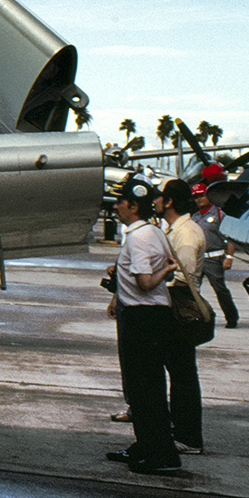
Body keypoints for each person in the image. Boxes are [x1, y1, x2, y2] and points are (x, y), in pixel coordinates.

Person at [104, 177, 182, 474]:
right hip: (147, 315)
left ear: (133, 206)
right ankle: (146, 445)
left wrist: (164, 269)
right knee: (143, 388)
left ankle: (162, 454)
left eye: (120, 201)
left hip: (143, 317)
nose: (115, 206)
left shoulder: (137, 237)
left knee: (145, 389)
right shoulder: (153, 232)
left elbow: (146, 282)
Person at [156, 179, 205, 455]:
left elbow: (183, 275)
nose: (155, 201)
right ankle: (182, 430)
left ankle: (188, 436)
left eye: (159, 197)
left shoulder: (186, 233)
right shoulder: (176, 229)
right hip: (173, 304)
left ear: (170, 201)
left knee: (183, 373)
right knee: (180, 371)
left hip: (180, 306)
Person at [192, 176, 240, 329]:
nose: (199, 199)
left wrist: (229, 257)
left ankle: (232, 317)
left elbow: (230, 236)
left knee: (220, 289)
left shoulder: (220, 214)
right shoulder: (194, 217)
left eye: (202, 195)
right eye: (196, 197)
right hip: (198, 259)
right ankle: (194, 316)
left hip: (215, 258)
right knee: (193, 289)